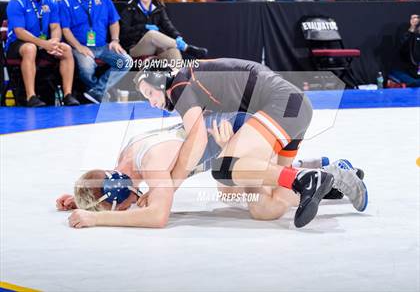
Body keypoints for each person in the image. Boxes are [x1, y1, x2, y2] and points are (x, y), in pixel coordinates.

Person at [134, 58, 368, 228]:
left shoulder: (180, 85)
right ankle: (332, 176)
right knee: (261, 207)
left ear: (162, 81)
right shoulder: (195, 83)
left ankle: (306, 176)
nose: (152, 102)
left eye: (150, 94)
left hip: (281, 104)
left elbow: (197, 142)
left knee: (225, 169)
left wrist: (166, 189)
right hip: (290, 106)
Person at [57, 111, 367, 228]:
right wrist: (82, 195)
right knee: (229, 190)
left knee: (264, 208)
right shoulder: (126, 165)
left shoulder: (149, 164)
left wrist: (96, 217)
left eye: (120, 208)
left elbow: (157, 216)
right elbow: (107, 182)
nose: (127, 210)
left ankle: (329, 179)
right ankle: (320, 172)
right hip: (234, 135)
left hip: (241, 130)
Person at [5, 0, 79, 107]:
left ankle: (68, 95)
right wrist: (43, 44)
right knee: (30, 48)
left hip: (43, 42)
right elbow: (19, 32)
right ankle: (31, 96)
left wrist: (55, 41)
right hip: (18, 43)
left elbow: (55, 27)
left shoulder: (50, 1)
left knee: (65, 49)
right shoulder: (17, 2)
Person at [59, 0, 132, 104]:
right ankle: (97, 92)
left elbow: (113, 21)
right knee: (87, 67)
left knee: (126, 61)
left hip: (103, 46)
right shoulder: (66, 2)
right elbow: (65, 30)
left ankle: (97, 91)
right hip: (79, 47)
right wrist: (79, 47)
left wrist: (115, 40)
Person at [119, 0, 208, 63]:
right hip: (135, 48)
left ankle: (178, 77)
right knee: (152, 34)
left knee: (173, 50)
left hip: (156, 47)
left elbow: (168, 26)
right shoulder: (129, 9)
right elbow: (124, 34)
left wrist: (178, 37)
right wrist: (143, 27)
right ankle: (186, 48)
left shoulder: (159, 8)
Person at [389, 14, 420, 87]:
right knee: (415, 83)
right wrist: (412, 28)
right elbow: (403, 46)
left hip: (416, 73)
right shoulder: (410, 38)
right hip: (403, 72)